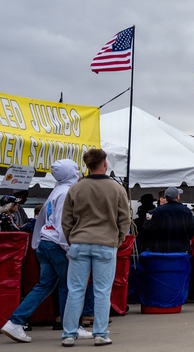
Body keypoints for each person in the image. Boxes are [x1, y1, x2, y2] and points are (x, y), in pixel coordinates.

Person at [1, 160, 92, 343]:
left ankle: (15, 321)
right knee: (70, 286)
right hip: (57, 244)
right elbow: (62, 223)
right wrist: (68, 249)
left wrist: (37, 242)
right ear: (71, 173)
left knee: (44, 285)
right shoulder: (67, 192)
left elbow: (42, 218)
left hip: (46, 242)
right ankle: (72, 327)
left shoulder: (56, 191)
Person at [59, 148, 130, 347]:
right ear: (104, 164)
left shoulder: (76, 188)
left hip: (80, 242)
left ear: (87, 165)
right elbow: (124, 218)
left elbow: (66, 220)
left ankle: (69, 334)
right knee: (102, 291)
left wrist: (72, 238)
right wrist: (118, 239)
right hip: (106, 244)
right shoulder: (117, 189)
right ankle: (100, 333)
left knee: (75, 291)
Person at [144, 187, 194, 253]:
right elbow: (192, 228)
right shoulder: (186, 211)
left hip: (162, 247)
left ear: (166, 197)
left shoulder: (158, 211)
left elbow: (153, 229)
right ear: (177, 197)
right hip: (181, 247)